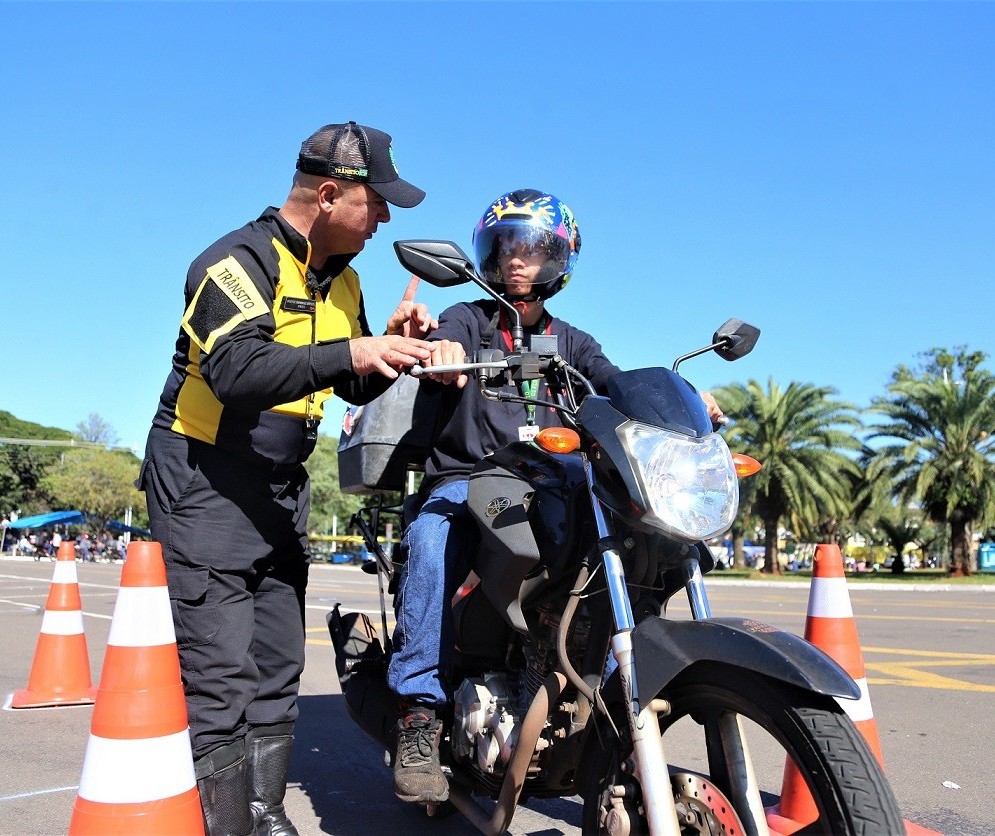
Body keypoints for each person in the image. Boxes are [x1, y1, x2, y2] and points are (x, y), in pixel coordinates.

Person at [139, 121, 434, 836]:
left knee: (277, 665)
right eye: (377, 201)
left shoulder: (347, 280)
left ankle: (266, 812)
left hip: (279, 488)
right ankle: (230, 825)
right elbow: (237, 371)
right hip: (204, 479)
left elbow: (349, 383)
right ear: (329, 195)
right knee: (221, 676)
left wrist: (393, 346)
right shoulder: (233, 263)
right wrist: (354, 351)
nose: (386, 217)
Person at [385, 188, 724, 803]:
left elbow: (615, 384)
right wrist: (441, 349)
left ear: (558, 259)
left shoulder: (573, 341)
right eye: (505, 246)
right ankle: (418, 713)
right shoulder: (466, 319)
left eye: (532, 247)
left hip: (546, 482)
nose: (516, 260)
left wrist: (683, 406)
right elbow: (445, 341)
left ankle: (613, 692)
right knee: (432, 536)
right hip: (467, 478)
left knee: (633, 534)